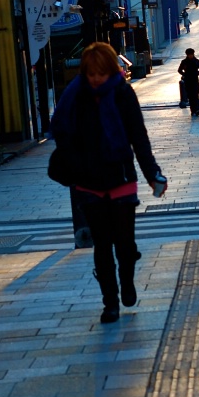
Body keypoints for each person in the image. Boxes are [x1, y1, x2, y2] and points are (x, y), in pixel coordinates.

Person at [50, 42, 166, 324]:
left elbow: (138, 136)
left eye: (101, 73)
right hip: (88, 182)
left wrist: (153, 175)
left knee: (125, 244)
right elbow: (63, 137)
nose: (95, 79)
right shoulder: (75, 97)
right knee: (102, 245)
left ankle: (126, 283)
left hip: (121, 177)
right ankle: (110, 303)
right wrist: (77, 167)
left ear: (111, 70)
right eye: (90, 74)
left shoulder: (123, 93)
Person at [178, 47, 199, 117]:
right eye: (189, 55)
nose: (190, 56)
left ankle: (197, 110)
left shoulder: (196, 61)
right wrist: (184, 75)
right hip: (188, 81)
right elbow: (179, 70)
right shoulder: (184, 62)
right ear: (187, 55)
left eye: (191, 54)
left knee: (196, 95)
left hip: (195, 80)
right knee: (190, 96)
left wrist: (197, 73)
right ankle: (192, 110)